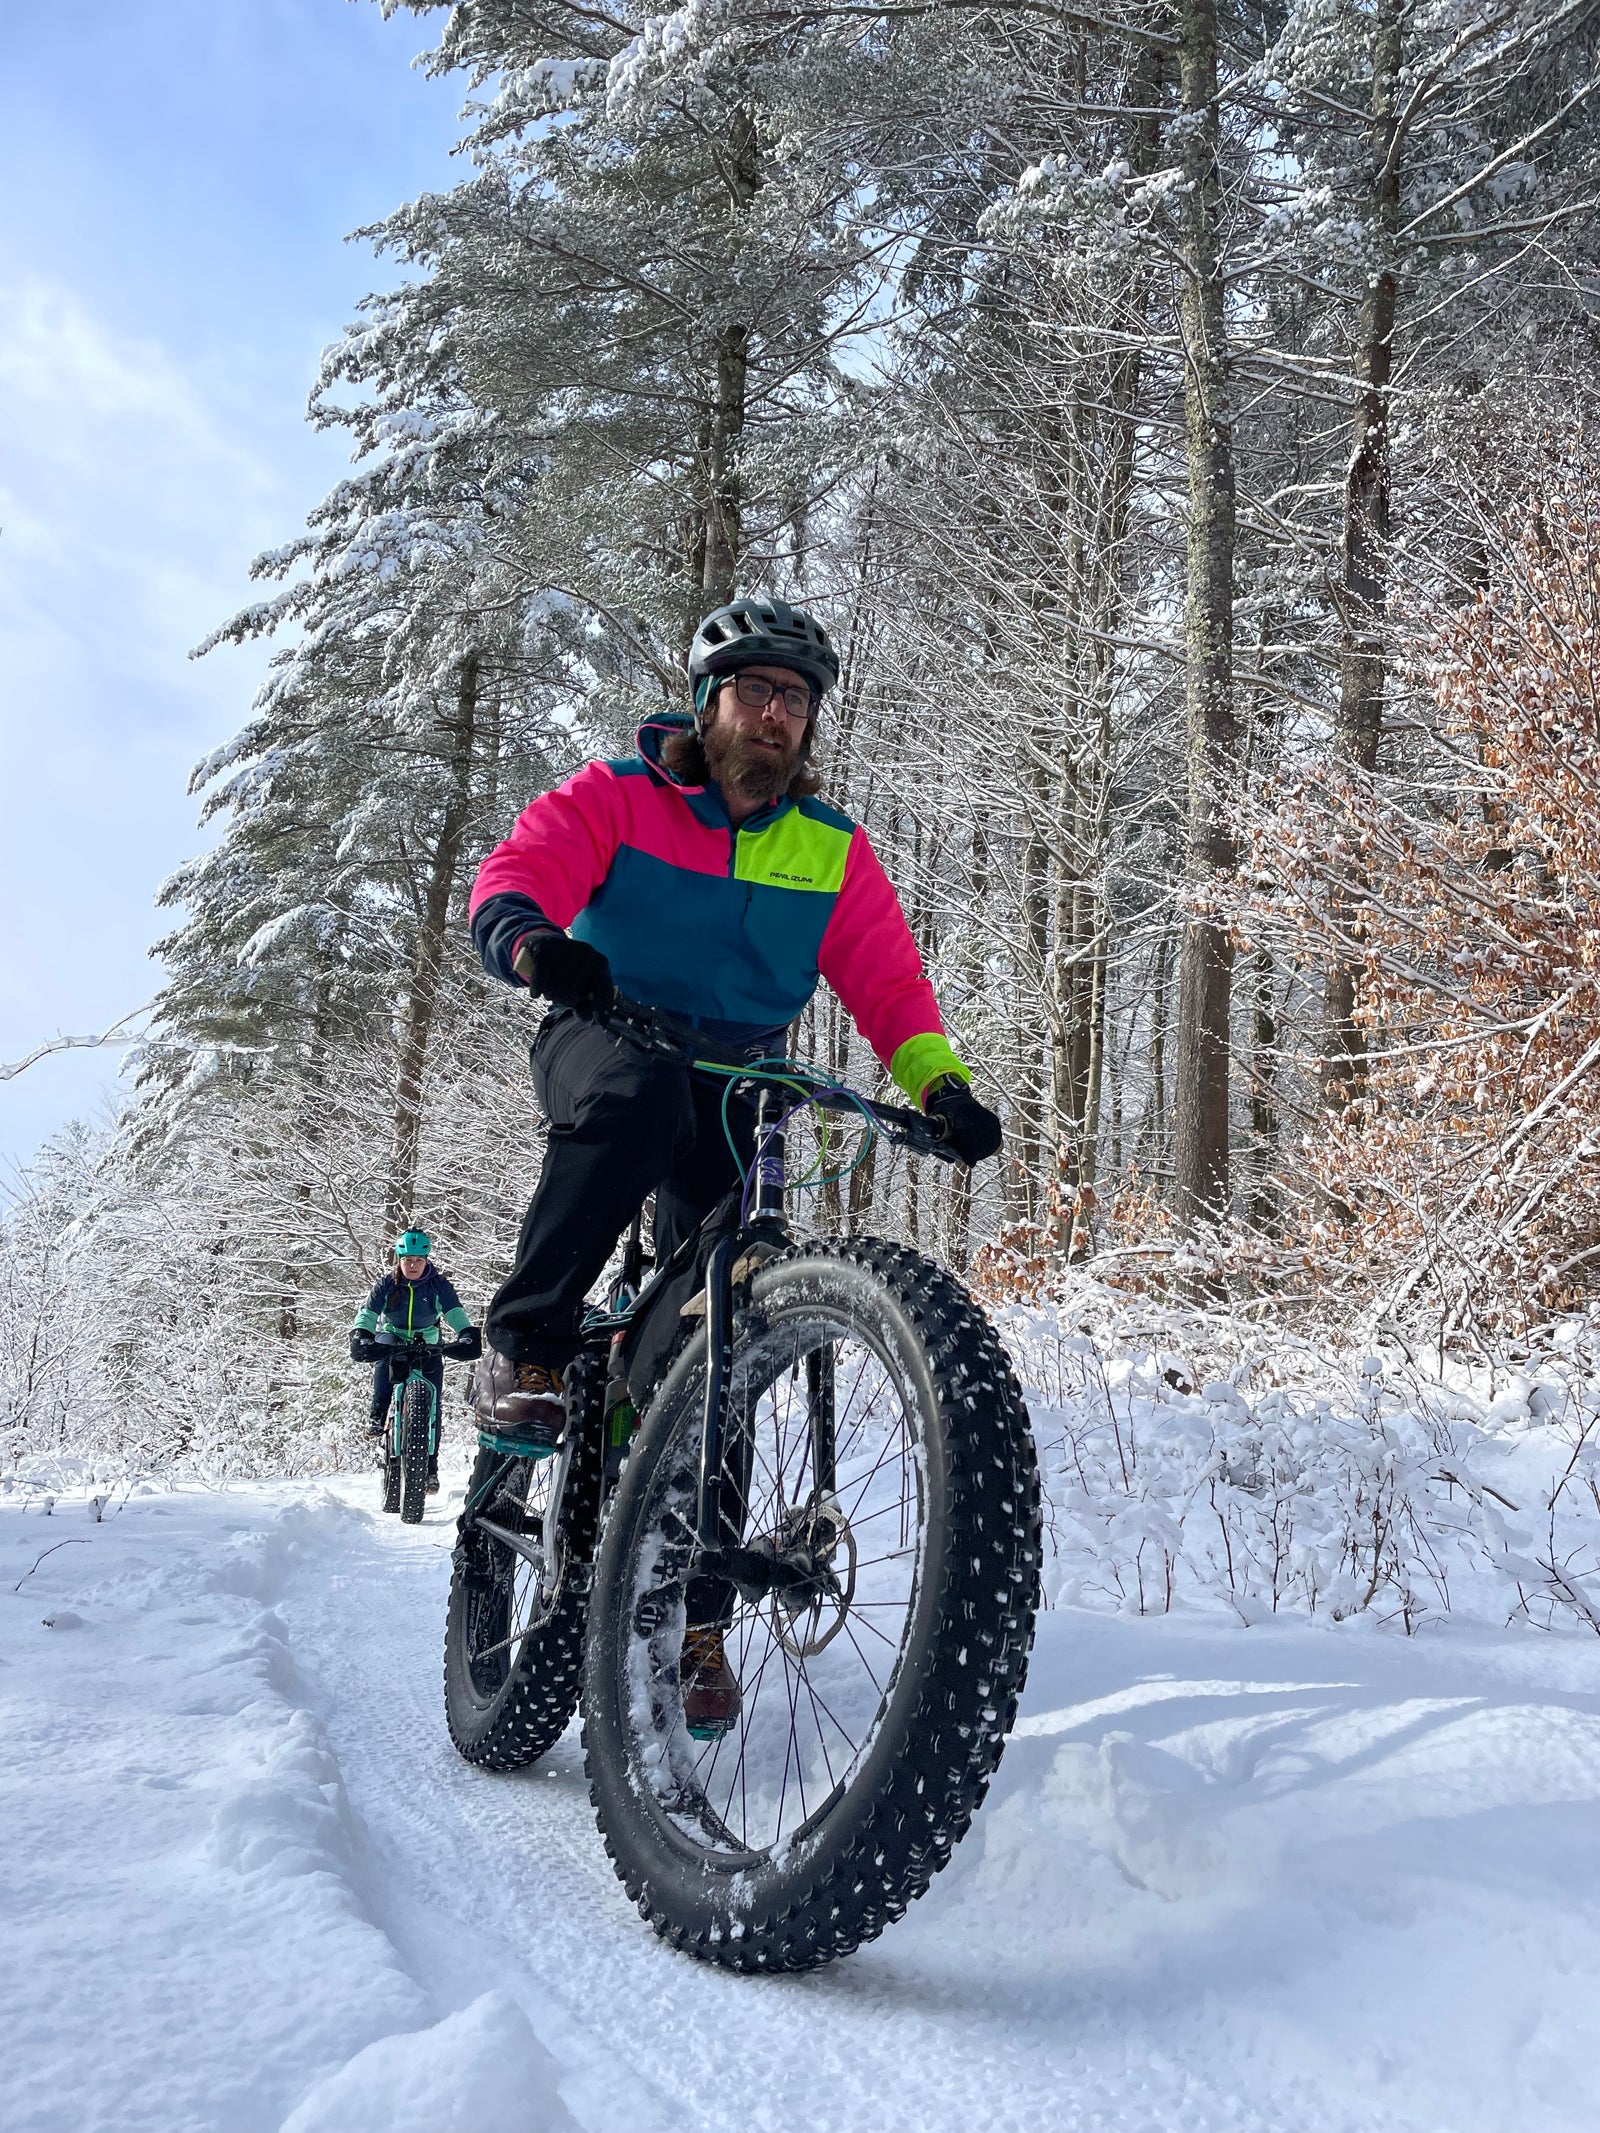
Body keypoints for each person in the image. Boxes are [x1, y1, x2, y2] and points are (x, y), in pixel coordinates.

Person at [466, 595, 1002, 1727]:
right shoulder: (617, 795)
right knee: (638, 1091)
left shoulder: (830, 849)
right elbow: (519, 875)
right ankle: (529, 1349)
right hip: (601, 1031)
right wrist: (539, 945)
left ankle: (698, 1608)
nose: (775, 714)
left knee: (729, 1324)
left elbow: (888, 984)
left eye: (795, 701)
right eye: (755, 692)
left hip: (740, 1078)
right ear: (710, 703)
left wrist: (940, 1088)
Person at [350, 1231, 480, 1494]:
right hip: (394, 1336)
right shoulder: (386, 1284)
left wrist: (466, 1333)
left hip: (427, 1340)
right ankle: (378, 1415)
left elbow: (454, 1312)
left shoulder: (438, 1285)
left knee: (433, 1401)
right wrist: (361, 1334)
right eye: (407, 1259)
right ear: (398, 1259)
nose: (412, 1265)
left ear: (426, 1260)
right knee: (383, 1350)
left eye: (418, 1260)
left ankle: (430, 1468)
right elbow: (368, 1313)